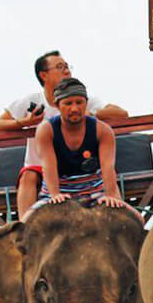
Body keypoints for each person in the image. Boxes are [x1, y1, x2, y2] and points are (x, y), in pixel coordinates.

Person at [0, 51, 129, 218]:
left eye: (67, 66)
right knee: (28, 176)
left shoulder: (81, 98)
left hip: (84, 166)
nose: (67, 71)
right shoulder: (31, 102)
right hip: (41, 165)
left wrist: (88, 114)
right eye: (60, 67)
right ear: (44, 75)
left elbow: (121, 113)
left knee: (108, 173)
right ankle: (23, 229)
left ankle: (119, 213)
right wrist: (24, 122)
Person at [26, 77, 136, 218]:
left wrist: (110, 195)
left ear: (86, 103)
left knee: (136, 219)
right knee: (25, 223)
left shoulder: (103, 130)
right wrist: (55, 195)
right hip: (56, 193)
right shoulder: (46, 130)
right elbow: (48, 165)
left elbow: (108, 167)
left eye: (79, 102)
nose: (74, 108)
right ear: (57, 105)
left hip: (95, 190)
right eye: (68, 103)